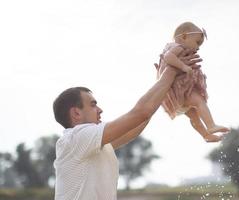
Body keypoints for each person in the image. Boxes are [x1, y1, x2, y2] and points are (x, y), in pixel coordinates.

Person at [52, 49, 201, 200]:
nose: (100, 110)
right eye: (93, 105)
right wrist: (172, 70)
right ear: (76, 113)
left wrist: (163, 87)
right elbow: (140, 113)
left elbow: (136, 125)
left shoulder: (91, 143)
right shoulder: (76, 138)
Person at [155, 21, 229, 142]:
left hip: (176, 94)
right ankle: (211, 125)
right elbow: (168, 57)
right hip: (180, 89)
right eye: (197, 42)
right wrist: (183, 67)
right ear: (184, 37)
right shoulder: (177, 47)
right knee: (199, 102)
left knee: (194, 117)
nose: (198, 47)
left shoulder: (176, 48)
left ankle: (205, 135)